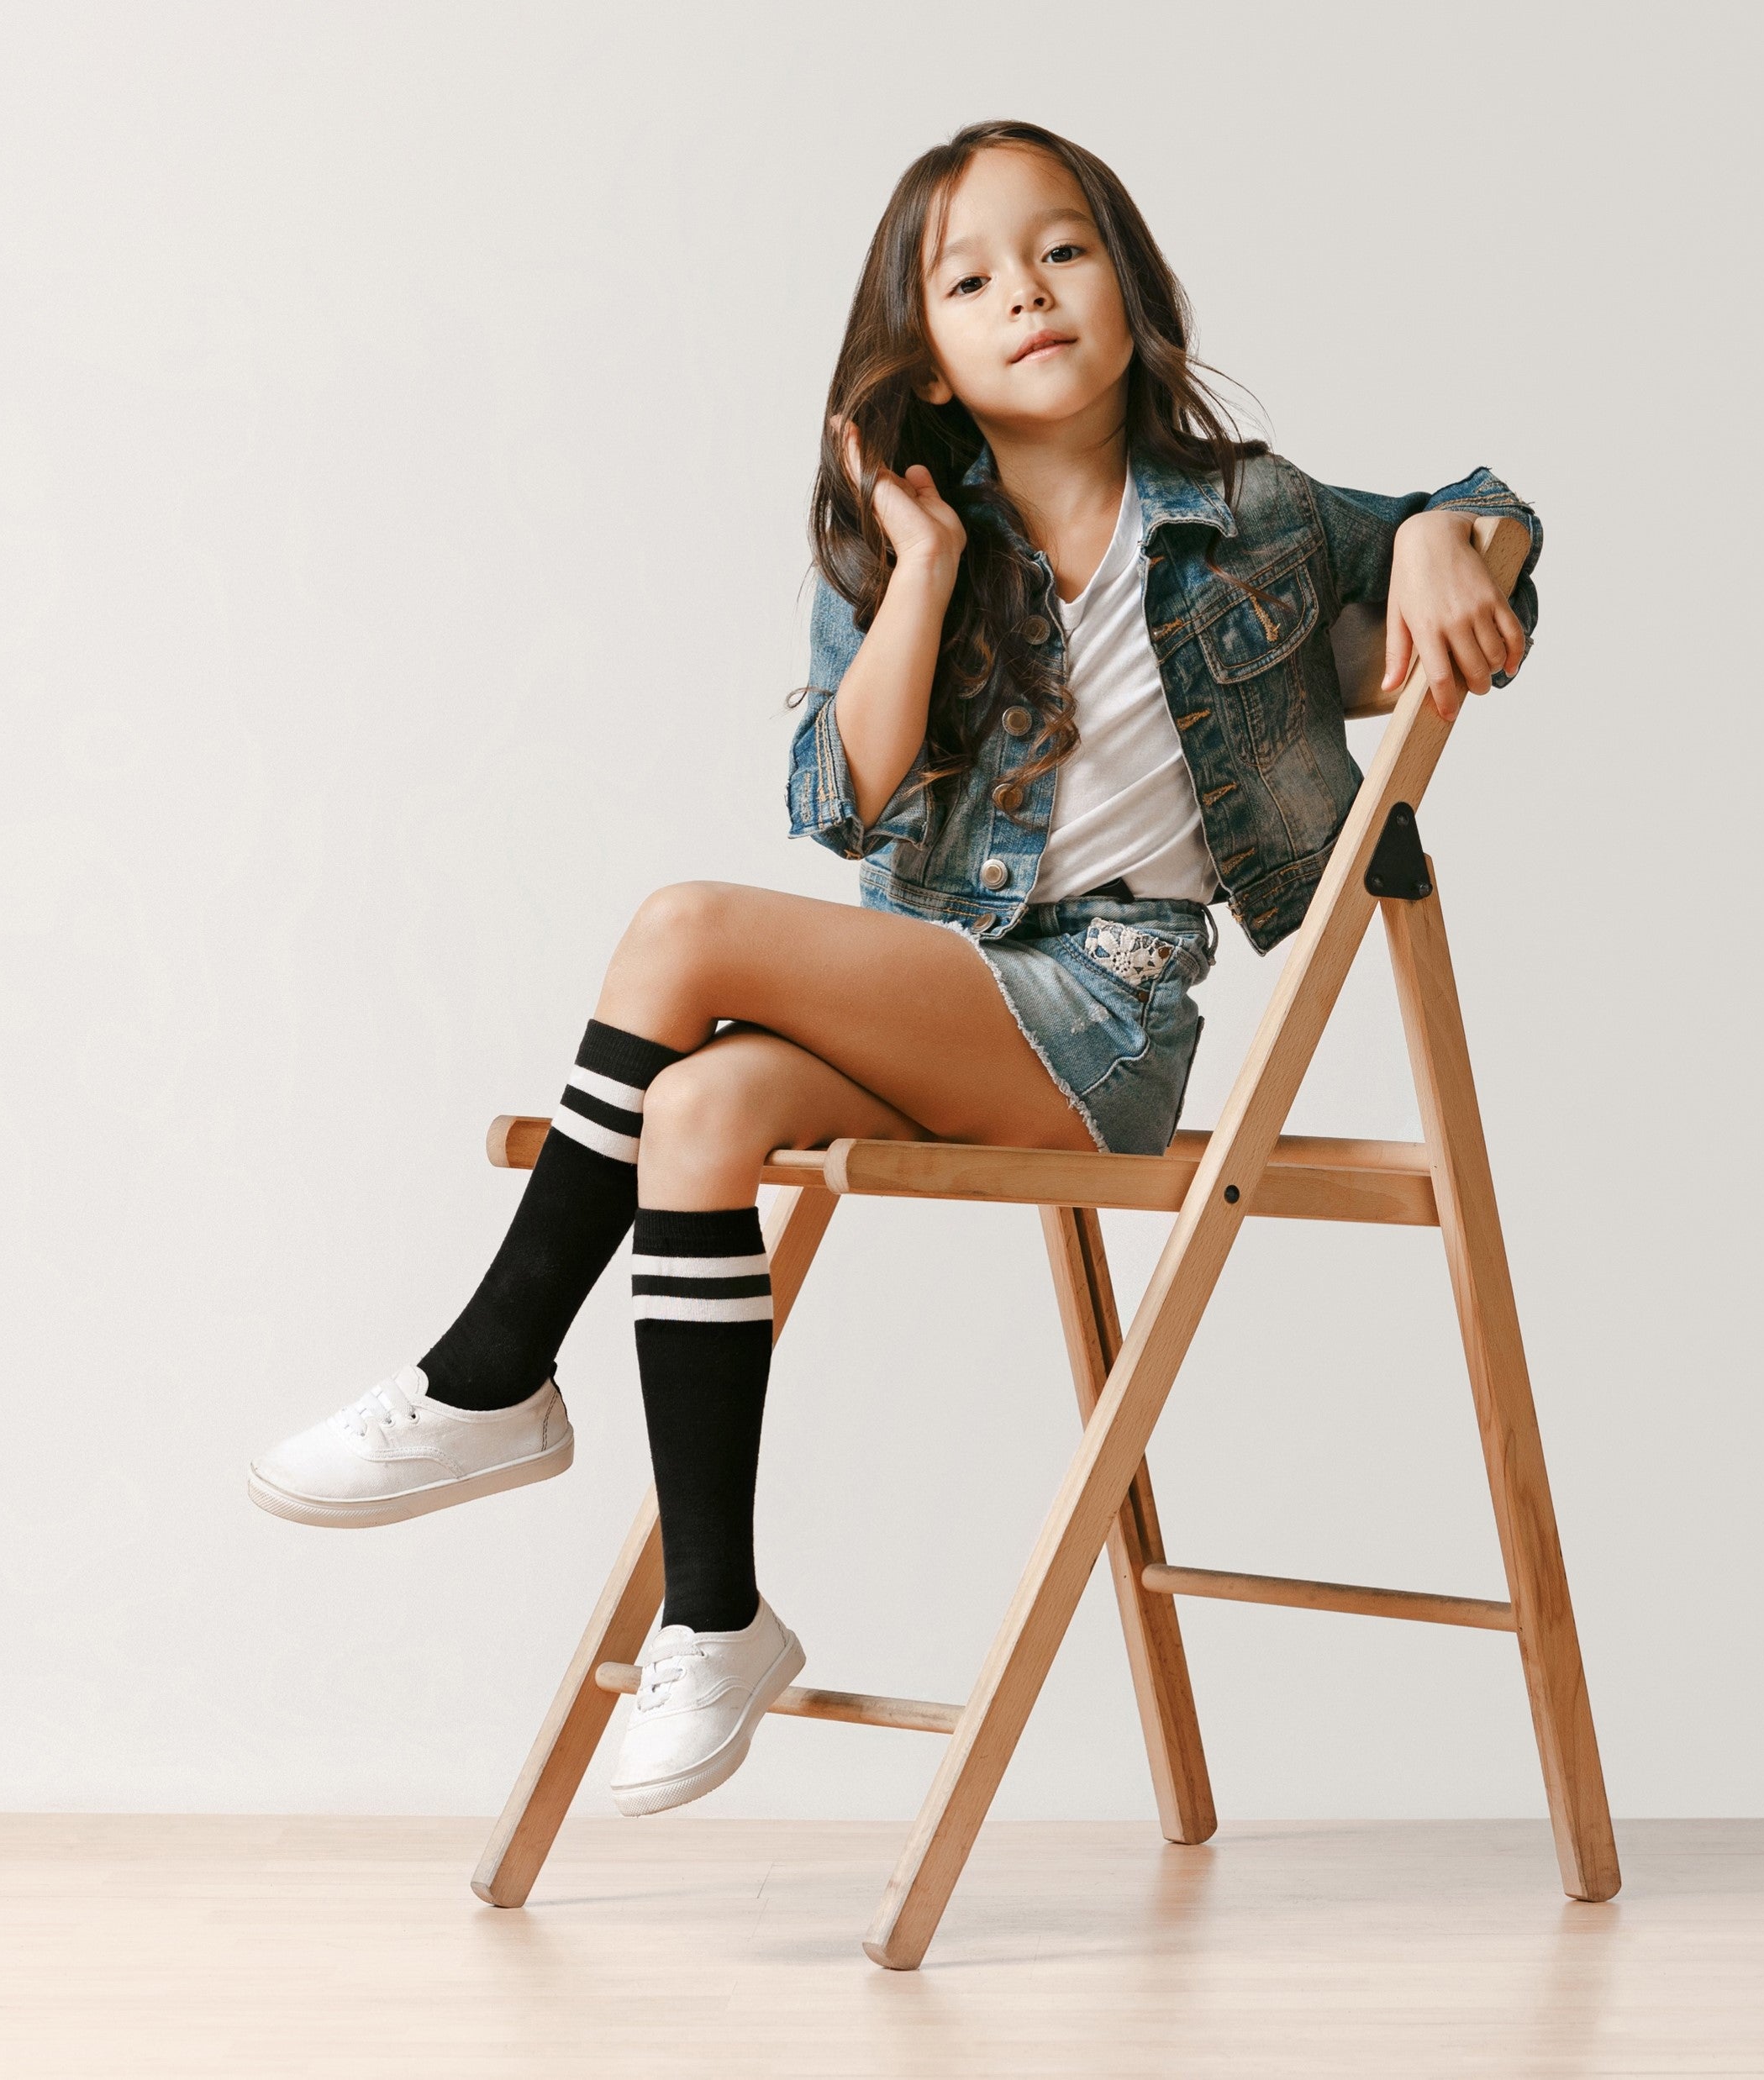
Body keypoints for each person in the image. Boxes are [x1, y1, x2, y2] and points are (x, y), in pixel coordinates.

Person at [245, 120, 1539, 1818]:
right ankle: (715, 1616)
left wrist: (1453, 541)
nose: (1026, 292)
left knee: (678, 931)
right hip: (956, 988)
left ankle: (488, 1369)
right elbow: (839, 804)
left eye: (1061, 250)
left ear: (1131, 287)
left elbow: (1478, 512)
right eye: (970, 275)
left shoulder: (1251, 519)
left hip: (1105, 1026)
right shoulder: (903, 549)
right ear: (917, 351)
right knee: (699, 1105)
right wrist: (925, 567)